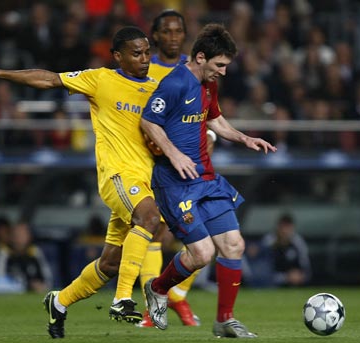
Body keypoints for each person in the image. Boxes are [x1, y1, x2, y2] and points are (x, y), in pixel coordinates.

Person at [0, 26, 162, 338]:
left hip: (145, 181)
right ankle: (123, 298)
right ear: (117, 56)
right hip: (118, 176)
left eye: (147, 52)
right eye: (137, 53)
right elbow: (48, 78)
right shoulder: (102, 79)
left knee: (109, 264)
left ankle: (60, 300)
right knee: (149, 219)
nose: (145, 58)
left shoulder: (157, 86)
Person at [140, 23, 277, 337]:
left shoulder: (208, 84)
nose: (224, 72)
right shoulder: (174, 83)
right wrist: (173, 154)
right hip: (174, 183)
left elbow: (214, 118)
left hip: (206, 179)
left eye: (226, 66)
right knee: (202, 253)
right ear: (200, 57)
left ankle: (224, 320)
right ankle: (159, 289)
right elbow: (148, 120)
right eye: (219, 65)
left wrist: (243, 138)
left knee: (233, 244)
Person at [137, 9, 200, 328]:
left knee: (203, 228)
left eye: (179, 31)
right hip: (152, 163)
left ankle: (176, 296)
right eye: (167, 31)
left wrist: (212, 137)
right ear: (156, 36)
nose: (173, 37)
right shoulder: (144, 70)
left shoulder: (196, 68)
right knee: (155, 229)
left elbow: (209, 111)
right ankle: (153, 307)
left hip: (191, 161)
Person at [0, 220, 53, 293]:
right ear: (11, 237)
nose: (19, 238)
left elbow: (47, 279)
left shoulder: (35, 252)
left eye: (22, 234)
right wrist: (27, 285)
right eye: (16, 234)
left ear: (29, 237)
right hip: (11, 293)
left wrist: (42, 286)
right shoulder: (5, 252)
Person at [258, 213, 311, 287]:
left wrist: (300, 276)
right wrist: (286, 277)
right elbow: (264, 270)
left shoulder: (298, 242)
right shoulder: (269, 242)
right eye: (282, 227)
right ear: (278, 227)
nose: (285, 231)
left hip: (296, 280)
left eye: (288, 227)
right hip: (273, 281)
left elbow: (306, 266)